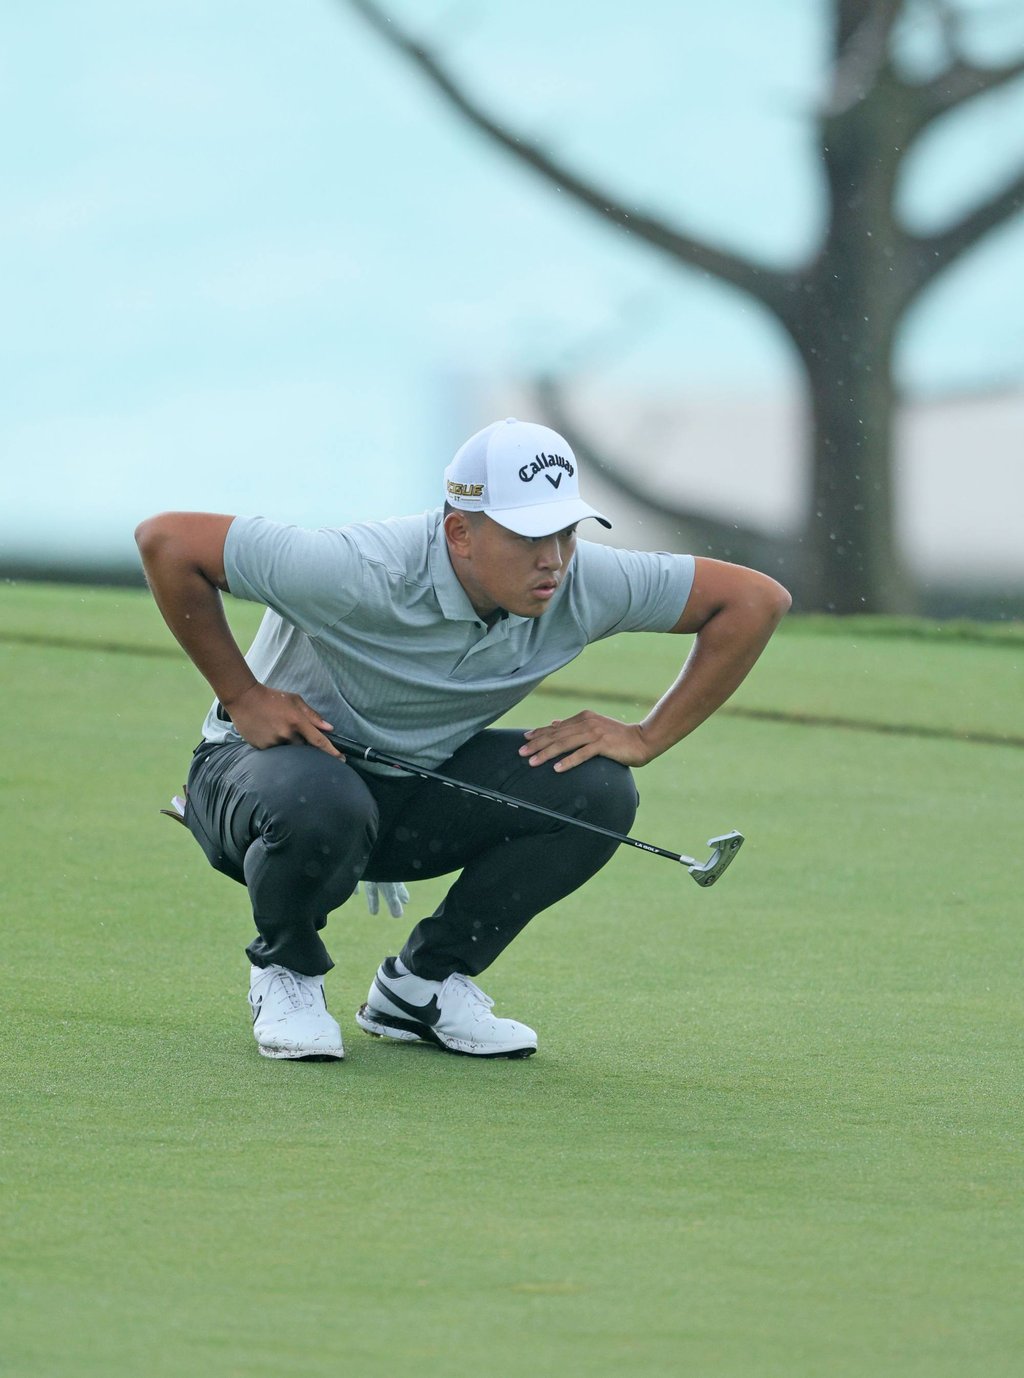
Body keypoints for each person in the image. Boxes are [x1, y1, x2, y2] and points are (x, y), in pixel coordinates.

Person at [136, 417, 790, 1063]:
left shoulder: (579, 582)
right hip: (260, 786)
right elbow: (168, 541)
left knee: (598, 788)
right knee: (324, 802)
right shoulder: (359, 568)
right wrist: (245, 695)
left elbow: (753, 601)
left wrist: (648, 737)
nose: (553, 559)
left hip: (409, 797)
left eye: (565, 531)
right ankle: (288, 972)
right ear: (459, 532)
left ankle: (422, 986)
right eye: (530, 535)